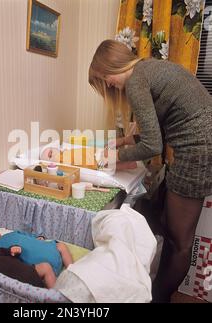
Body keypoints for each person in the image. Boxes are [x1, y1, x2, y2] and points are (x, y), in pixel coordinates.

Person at [89, 39, 212, 302]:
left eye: (105, 78)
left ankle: (156, 298)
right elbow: (157, 131)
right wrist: (123, 142)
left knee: (180, 242)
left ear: (112, 65)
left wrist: (114, 156)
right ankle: (157, 290)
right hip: (199, 145)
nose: (109, 85)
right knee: (169, 227)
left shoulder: (135, 82)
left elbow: (152, 145)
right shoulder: (148, 70)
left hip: (198, 152)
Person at [0, 224, 73, 286]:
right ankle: (55, 295)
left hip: (50, 250)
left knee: (61, 245)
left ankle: (72, 271)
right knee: (45, 270)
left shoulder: (13, 233)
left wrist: (39, 238)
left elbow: (29, 236)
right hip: (43, 267)